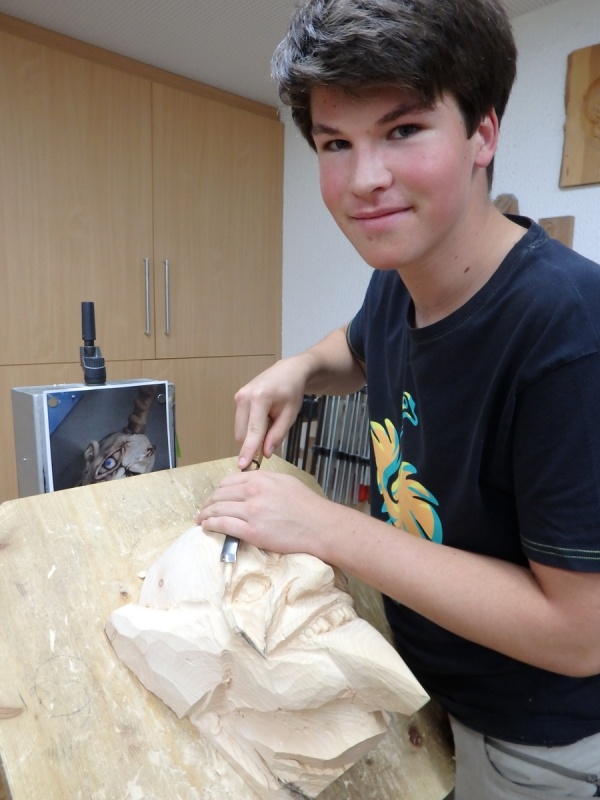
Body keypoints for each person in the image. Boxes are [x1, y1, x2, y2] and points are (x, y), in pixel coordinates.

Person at [196, 1, 600, 796]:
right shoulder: (398, 281)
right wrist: (299, 369)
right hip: (414, 670)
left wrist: (325, 527)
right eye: (335, 144)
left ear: (483, 133)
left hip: (527, 735)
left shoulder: (569, 332)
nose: (364, 180)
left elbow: (579, 633)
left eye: (404, 129)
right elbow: (355, 349)